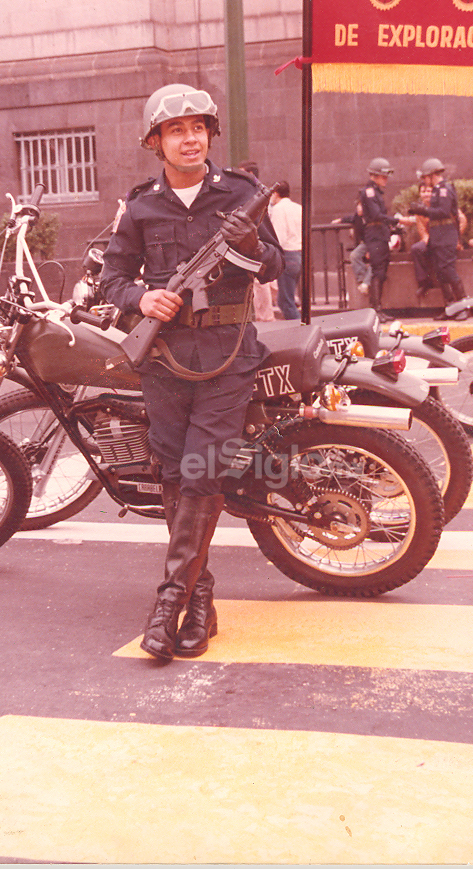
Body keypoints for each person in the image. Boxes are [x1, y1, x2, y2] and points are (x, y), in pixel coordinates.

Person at [100, 83, 283, 661]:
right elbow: (110, 279)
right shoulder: (140, 205)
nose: (190, 138)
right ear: (156, 142)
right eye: (177, 130)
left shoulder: (242, 194)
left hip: (228, 355)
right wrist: (140, 300)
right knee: (175, 471)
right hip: (164, 360)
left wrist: (250, 240)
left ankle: (169, 599)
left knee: (204, 471)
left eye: (199, 128)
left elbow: (275, 265)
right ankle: (200, 599)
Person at [409, 157, 469, 320]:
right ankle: (450, 307)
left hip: (446, 236)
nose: (424, 181)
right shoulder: (436, 189)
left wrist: (422, 210)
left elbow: (443, 211)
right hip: (438, 235)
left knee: (448, 271)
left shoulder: (444, 189)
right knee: (441, 273)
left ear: (432, 175)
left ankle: (463, 306)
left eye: (425, 177)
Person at [358, 156, 399, 319]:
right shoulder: (369, 192)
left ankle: (378, 309)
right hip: (375, 234)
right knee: (378, 271)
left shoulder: (375, 192)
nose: (386, 179)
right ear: (374, 176)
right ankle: (376, 310)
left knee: (381, 272)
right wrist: (397, 220)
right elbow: (376, 215)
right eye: (383, 176)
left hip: (379, 234)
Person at [237, 160, 275, 322]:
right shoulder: (255, 191)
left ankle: (265, 315)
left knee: (262, 284)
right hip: (254, 242)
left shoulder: (255, 192)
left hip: (256, 243)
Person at [268, 180, 302, 320]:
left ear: (276, 194)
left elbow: (278, 236)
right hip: (299, 253)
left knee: (286, 301)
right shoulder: (298, 208)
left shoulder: (278, 210)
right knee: (286, 299)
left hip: (287, 255)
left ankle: (300, 328)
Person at [333, 202, 370, 295]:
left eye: (361, 207)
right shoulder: (357, 217)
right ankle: (362, 278)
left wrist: (370, 250)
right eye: (358, 207)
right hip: (364, 243)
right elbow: (349, 218)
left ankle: (366, 281)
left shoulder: (371, 218)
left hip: (373, 243)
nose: (359, 209)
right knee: (354, 255)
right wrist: (339, 220)